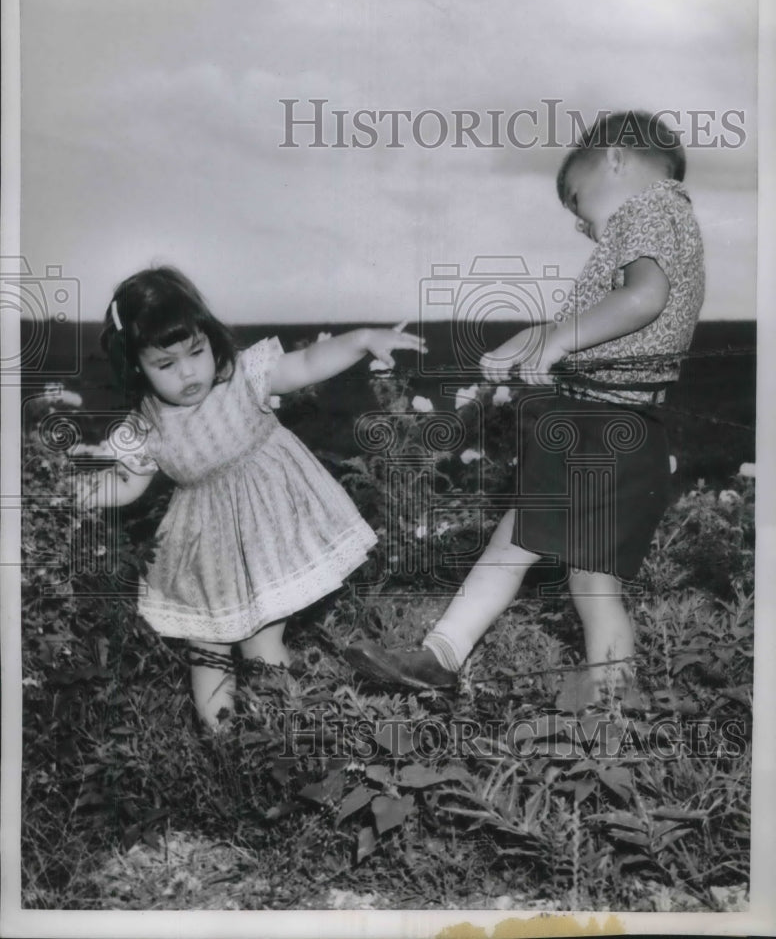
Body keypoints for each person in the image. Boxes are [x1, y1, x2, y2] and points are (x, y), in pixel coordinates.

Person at [345, 111, 705, 709]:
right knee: (588, 581)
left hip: (596, 424)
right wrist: (539, 336)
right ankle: (605, 707)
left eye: (576, 200)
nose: (581, 224)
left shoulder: (650, 208)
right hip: (622, 426)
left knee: (525, 553)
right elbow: (620, 315)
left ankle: (448, 656)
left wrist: (555, 340)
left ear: (615, 159)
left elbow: (645, 298)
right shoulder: (671, 216)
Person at [76, 266, 426, 728]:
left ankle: (287, 739)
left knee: (262, 645)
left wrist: (361, 338)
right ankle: (223, 750)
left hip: (267, 538)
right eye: (165, 364)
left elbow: (305, 365)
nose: (187, 372)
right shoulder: (146, 425)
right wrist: (75, 492)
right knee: (207, 654)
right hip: (205, 556)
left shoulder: (242, 375)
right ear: (136, 366)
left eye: (196, 352)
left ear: (209, 338)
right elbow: (126, 483)